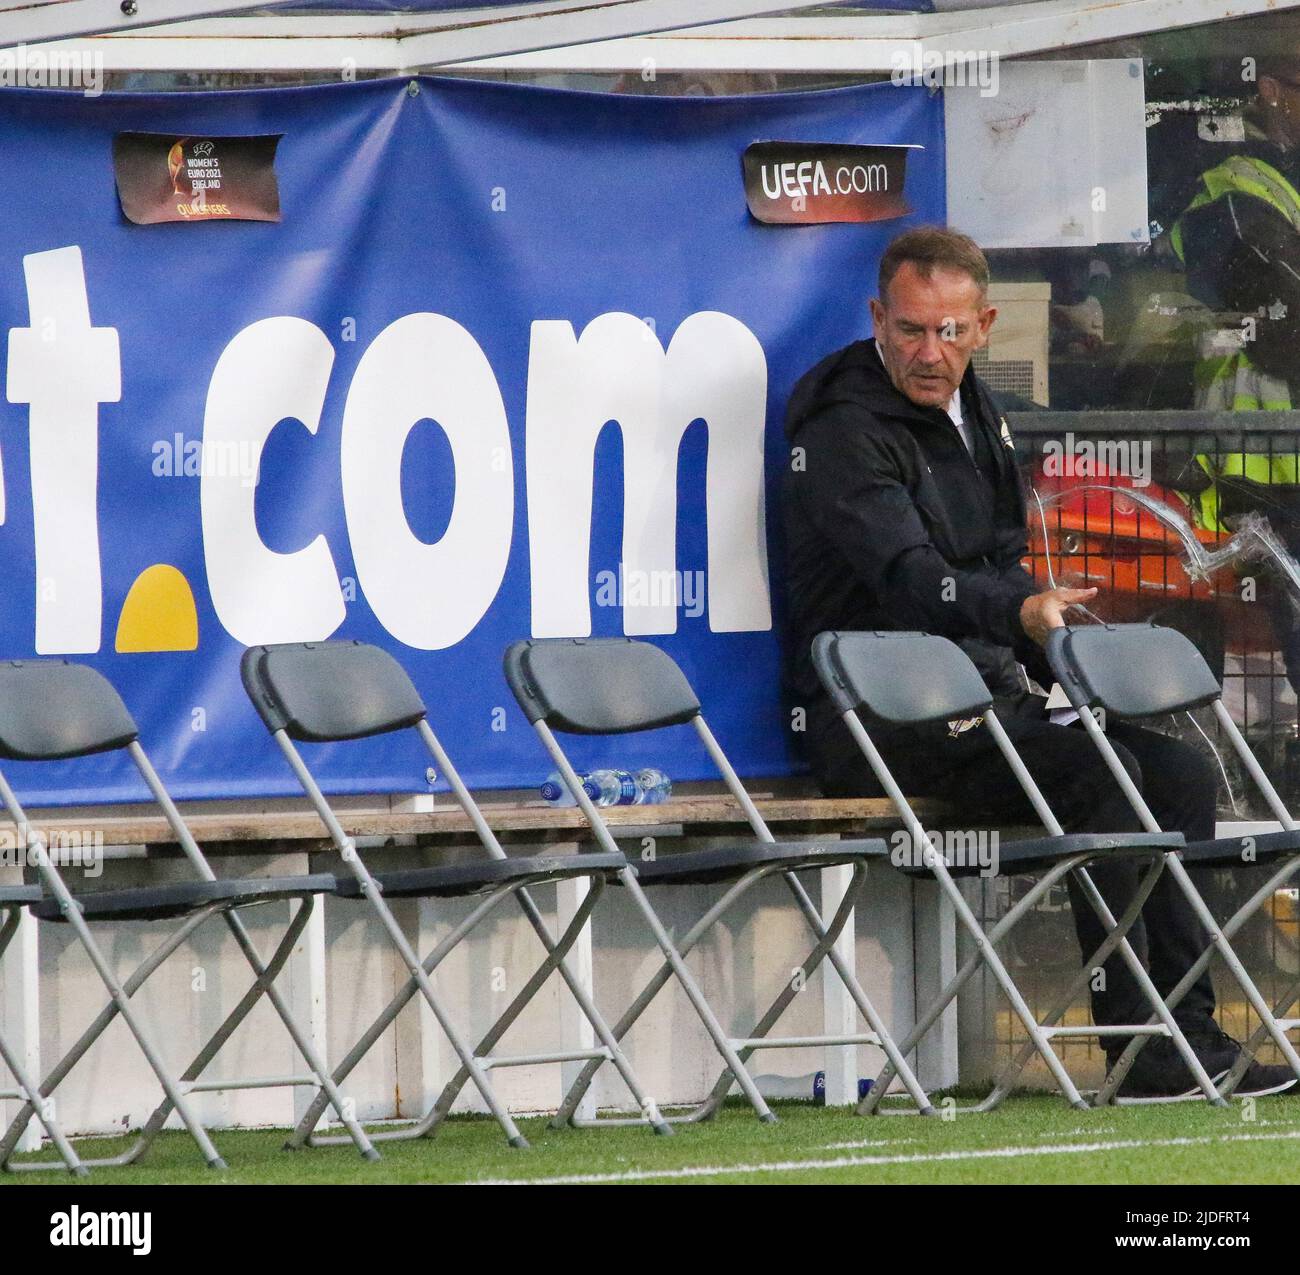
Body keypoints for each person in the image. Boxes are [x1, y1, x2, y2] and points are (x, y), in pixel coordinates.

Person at [781, 224, 1295, 1098]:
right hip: (875, 714)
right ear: (877, 315)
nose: (928, 352)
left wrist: (1059, 649)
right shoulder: (843, 426)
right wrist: (1018, 611)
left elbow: (998, 557)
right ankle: (1141, 1048)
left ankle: (1179, 1041)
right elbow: (911, 579)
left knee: (1171, 773)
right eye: (909, 329)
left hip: (983, 694)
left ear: (984, 325)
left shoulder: (977, 406)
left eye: (949, 331)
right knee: (1105, 773)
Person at [1172, 53, 1300, 694]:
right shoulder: (1231, 189)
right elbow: (1283, 318)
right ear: (1272, 91)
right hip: (1261, 463)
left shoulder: (1284, 182)